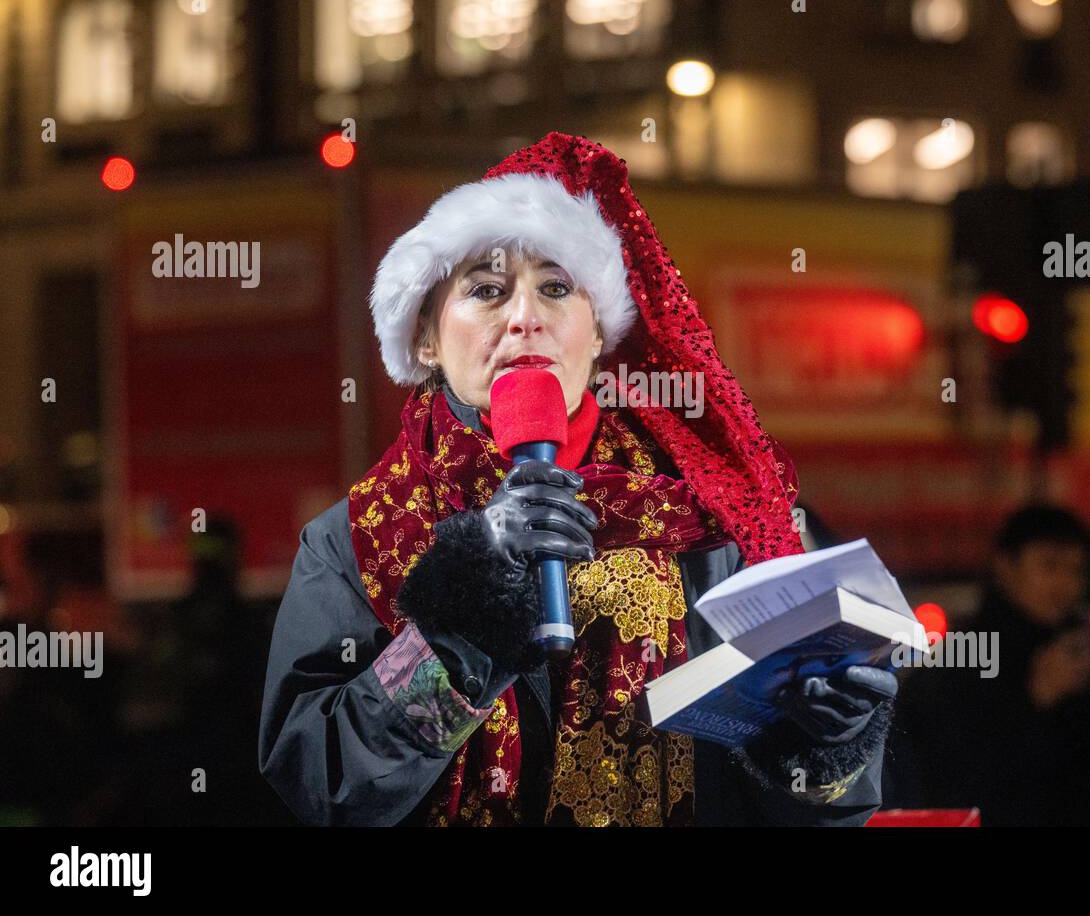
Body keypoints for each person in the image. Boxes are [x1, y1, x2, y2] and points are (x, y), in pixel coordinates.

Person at [258, 132, 899, 826]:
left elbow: (815, 813)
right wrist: (465, 625)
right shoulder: (353, 540)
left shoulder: (713, 519)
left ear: (597, 333)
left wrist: (822, 744)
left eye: (557, 288)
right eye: (486, 291)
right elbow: (321, 784)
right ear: (425, 340)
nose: (525, 318)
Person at [890, 504, 1090, 825]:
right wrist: (1035, 702)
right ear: (1005, 566)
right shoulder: (962, 658)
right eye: (1050, 566)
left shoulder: (1074, 652)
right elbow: (953, 784)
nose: (1065, 583)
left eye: (1076, 570)